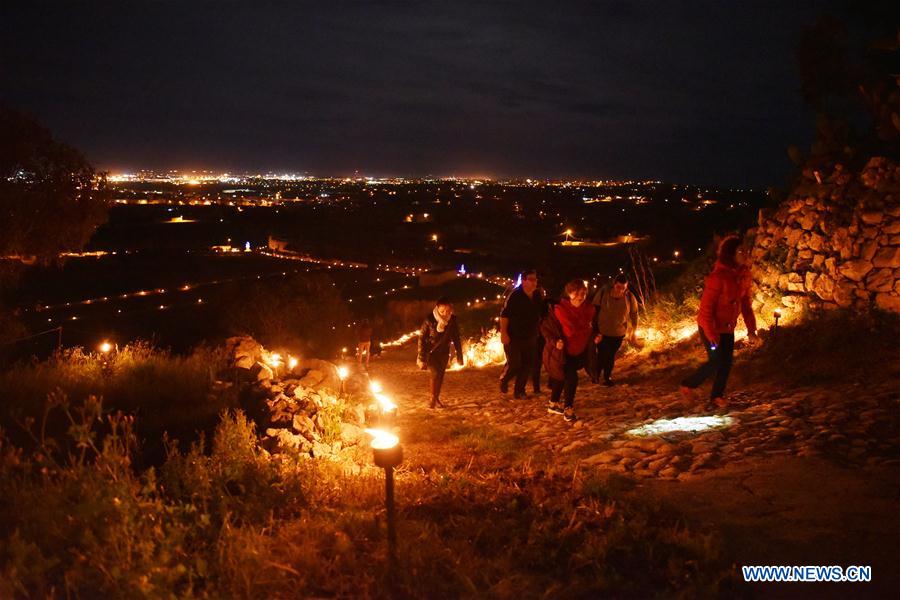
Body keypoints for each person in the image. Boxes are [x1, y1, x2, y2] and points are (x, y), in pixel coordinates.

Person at [680, 235, 758, 408]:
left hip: (727, 328)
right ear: (731, 254)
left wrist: (751, 330)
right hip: (710, 326)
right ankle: (688, 385)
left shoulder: (743, 275)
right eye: (740, 251)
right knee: (717, 360)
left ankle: (716, 396)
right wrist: (711, 334)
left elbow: (746, 305)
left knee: (727, 363)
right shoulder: (718, 277)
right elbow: (706, 309)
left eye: (745, 250)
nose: (745, 254)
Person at [542, 279, 596, 422]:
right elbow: (548, 330)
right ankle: (568, 409)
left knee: (561, 377)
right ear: (570, 293)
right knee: (571, 378)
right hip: (562, 352)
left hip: (579, 351)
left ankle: (553, 404)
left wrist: (595, 335)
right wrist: (556, 341)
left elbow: (591, 328)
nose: (581, 296)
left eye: (583, 293)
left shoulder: (589, 309)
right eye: (577, 293)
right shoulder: (560, 310)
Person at [499, 270, 543, 399]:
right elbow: (504, 315)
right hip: (514, 336)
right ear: (523, 281)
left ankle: (519, 391)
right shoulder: (515, 296)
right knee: (515, 364)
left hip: (531, 336)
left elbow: (541, 313)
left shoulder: (537, 295)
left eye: (535, 279)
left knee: (527, 364)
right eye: (531, 279)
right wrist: (504, 333)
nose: (534, 282)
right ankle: (505, 379)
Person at [591, 274, 639, 386]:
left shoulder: (629, 297)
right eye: (618, 287)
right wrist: (593, 327)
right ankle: (598, 375)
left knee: (610, 355)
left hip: (618, 333)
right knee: (603, 354)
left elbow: (634, 313)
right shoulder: (604, 293)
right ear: (614, 284)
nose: (620, 290)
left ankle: (606, 377)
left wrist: (634, 329)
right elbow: (594, 308)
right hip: (602, 331)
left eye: (623, 288)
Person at [417, 297, 463, 409]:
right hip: (430, 352)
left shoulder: (452, 321)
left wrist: (459, 356)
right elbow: (422, 338)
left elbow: (456, 338)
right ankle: (433, 399)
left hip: (443, 353)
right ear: (437, 308)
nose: (445, 313)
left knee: (441, 375)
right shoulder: (429, 319)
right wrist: (421, 356)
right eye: (442, 311)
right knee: (435, 373)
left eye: (448, 311)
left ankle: (436, 398)